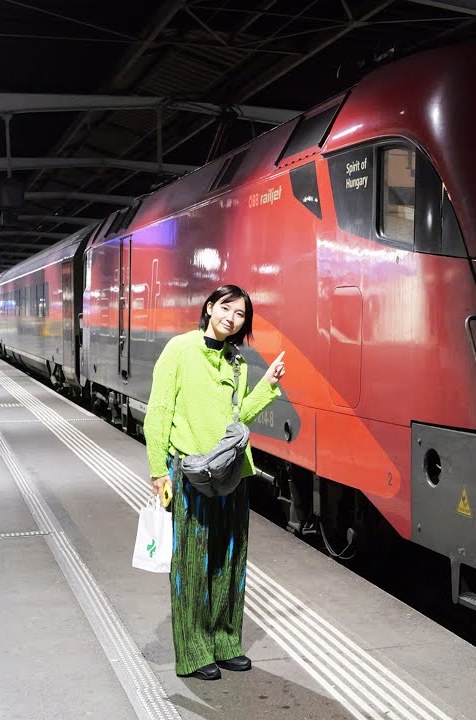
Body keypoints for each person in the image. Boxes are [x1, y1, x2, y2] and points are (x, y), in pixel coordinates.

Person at [144, 284, 286, 681]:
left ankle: (224, 641)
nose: (232, 318)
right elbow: (158, 413)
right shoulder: (180, 349)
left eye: (241, 315)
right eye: (226, 308)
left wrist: (268, 385)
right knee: (192, 563)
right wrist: (159, 471)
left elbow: (239, 420)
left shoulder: (237, 361)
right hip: (190, 473)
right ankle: (193, 651)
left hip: (233, 473)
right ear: (209, 308)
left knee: (229, 560)